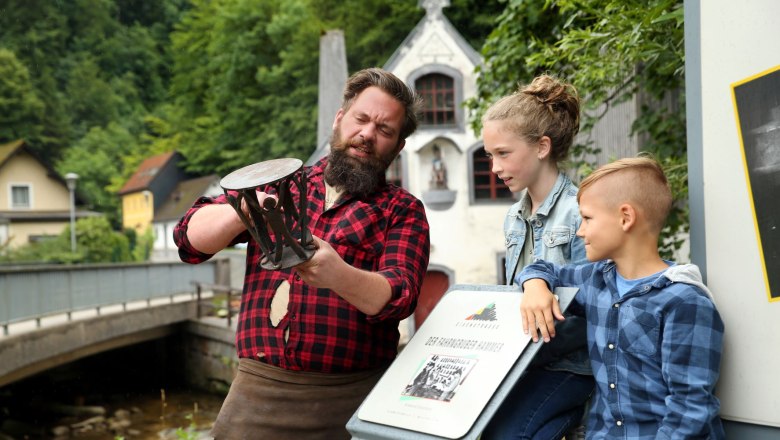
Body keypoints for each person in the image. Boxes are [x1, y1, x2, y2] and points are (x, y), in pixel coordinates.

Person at [173, 67, 430, 439]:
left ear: (398, 146)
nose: (367, 134)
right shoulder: (280, 184)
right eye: (361, 119)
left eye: (385, 129)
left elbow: (399, 297)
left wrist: (338, 274)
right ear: (340, 119)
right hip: (257, 392)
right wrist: (244, 212)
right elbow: (189, 240)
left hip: (355, 398)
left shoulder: (402, 209)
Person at [517, 156, 726, 439]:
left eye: (587, 218)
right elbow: (541, 267)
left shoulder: (684, 301)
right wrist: (535, 286)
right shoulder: (595, 280)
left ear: (625, 217)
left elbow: (690, 410)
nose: (580, 231)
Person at [480, 75, 594, 440]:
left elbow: (591, 310)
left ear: (542, 147)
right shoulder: (513, 218)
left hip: (570, 367)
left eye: (503, 153)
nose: (494, 167)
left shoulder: (581, 213)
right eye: (489, 155)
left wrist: (523, 352)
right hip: (523, 364)